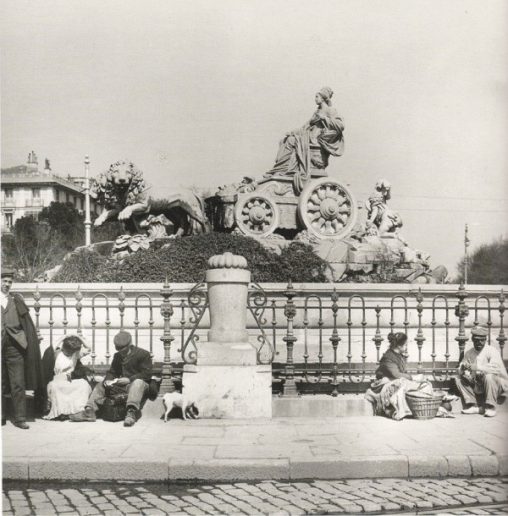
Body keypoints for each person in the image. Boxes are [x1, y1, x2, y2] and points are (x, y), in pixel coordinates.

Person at [266, 87, 345, 192]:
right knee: (285, 140)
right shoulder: (317, 111)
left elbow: (340, 125)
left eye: (317, 97)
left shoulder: (330, 110)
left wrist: (324, 118)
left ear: (323, 98)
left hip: (316, 140)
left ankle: (284, 170)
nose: (315, 99)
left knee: (291, 141)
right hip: (308, 136)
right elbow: (305, 126)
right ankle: (281, 169)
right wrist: (293, 132)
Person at [70, 330, 152, 427]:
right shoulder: (117, 356)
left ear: (130, 345)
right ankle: (89, 411)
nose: (121, 353)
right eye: (119, 351)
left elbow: (147, 373)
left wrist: (129, 379)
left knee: (138, 382)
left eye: (124, 351)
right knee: (100, 385)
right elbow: (112, 372)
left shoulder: (143, 354)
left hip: (139, 386)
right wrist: (107, 381)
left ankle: (131, 413)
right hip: (122, 385)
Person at [1, 268, 44, 429]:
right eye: (4, 281)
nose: (7, 284)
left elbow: (27, 323)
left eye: (9, 282)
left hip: (15, 346)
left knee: (17, 383)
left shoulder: (16, 300)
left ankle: (20, 418)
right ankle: (1, 415)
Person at [365, 332, 434, 420]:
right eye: (405, 345)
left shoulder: (399, 356)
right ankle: (393, 409)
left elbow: (401, 374)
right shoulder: (388, 357)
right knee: (403, 384)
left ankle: (419, 407)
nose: (406, 347)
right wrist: (414, 377)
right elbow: (396, 374)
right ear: (399, 346)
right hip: (386, 385)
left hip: (395, 381)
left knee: (424, 384)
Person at [455, 325, 508, 418]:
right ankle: (474, 406)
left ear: (485, 340)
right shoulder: (469, 353)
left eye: (482, 340)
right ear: (472, 340)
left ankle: (490, 407)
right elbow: (460, 368)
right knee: (459, 379)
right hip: (479, 384)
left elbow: (495, 368)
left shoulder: (492, 351)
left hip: (497, 385)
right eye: (476, 340)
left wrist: (477, 367)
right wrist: (463, 369)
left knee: (489, 376)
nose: (479, 342)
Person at [43, 334, 92, 421]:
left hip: (69, 381)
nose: (69, 353)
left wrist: (79, 337)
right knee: (53, 387)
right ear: (63, 347)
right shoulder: (56, 354)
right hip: (57, 381)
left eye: (71, 352)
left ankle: (78, 411)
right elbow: (49, 350)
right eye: (68, 351)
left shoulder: (75, 354)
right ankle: (61, 412)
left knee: (84, 384)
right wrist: (62, 337)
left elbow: (88, 348)